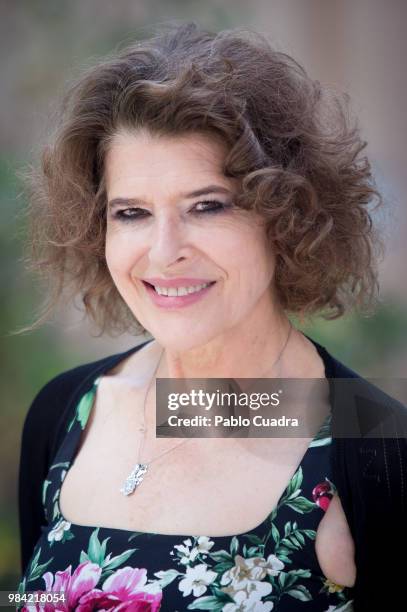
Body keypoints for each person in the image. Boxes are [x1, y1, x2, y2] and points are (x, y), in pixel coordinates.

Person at [15, 21, 406, 612]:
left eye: (207, 206)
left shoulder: (376, 451)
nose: (164, 250)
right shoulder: (63, 413)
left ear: (287, 214)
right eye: (131, 213)